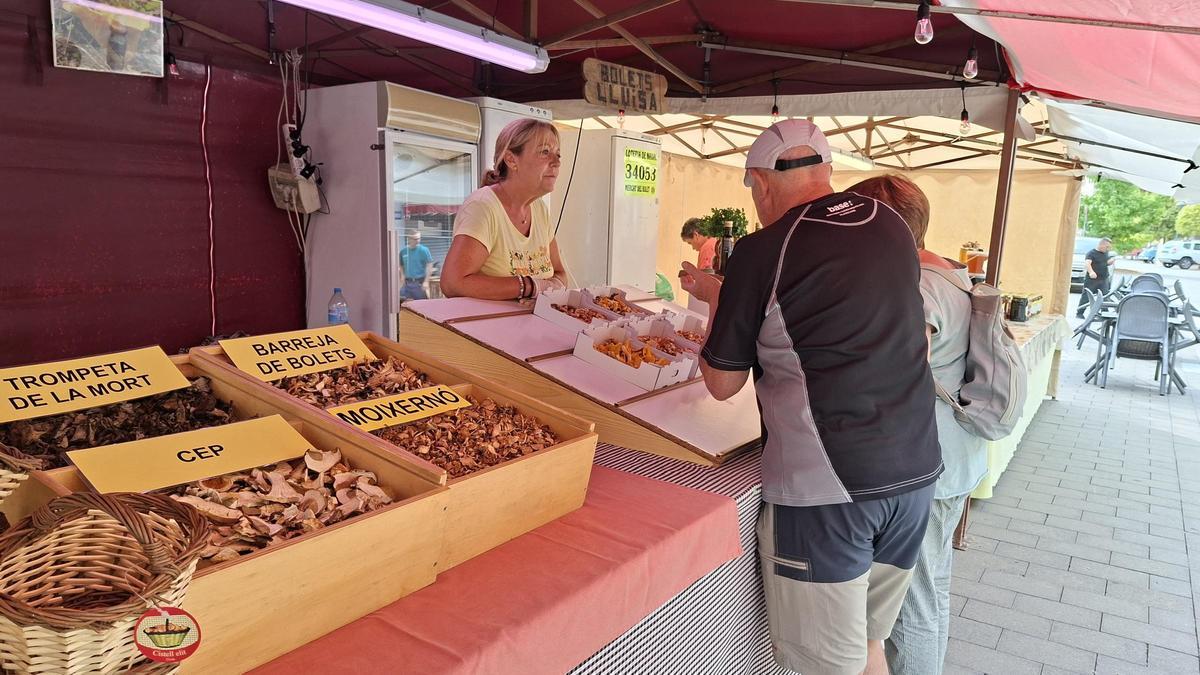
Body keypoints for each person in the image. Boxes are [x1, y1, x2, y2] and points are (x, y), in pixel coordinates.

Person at [680, 120, 942, 675]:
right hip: (915, 474)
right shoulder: (891, 225)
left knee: (825, 666)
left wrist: (716, 305)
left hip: (829, 488)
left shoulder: (761, 250)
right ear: (827, 170)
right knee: (869, 648)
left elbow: (722, 382)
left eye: (751, 192)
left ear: (760, 181)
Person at [849, 175, 986, 675]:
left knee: (912, 606)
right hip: (953, 456)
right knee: (932, 590)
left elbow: (895, 370)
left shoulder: (919, 286)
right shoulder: (949, 273)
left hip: (926, 465)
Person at [441, 119, 568, 300]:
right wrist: (530, 286)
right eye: (545, 152)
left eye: (558, 155)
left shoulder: (539, 209)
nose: (556, 162)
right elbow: (453, 283)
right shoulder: (483, 207)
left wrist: (553, 286)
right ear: (511, 159)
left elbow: (560, 275)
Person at [1077, 237, 1115, 317]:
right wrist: (1091, 272)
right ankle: (1080, 313)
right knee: (1086, 296)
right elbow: (1087, 263)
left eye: (1109, 247)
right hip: (1092, 280)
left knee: (1104, 296)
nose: (1108, 249)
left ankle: (1104, 312)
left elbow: (1104, 263)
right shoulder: (1091, 253)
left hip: (1103, 279)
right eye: (1107, 247)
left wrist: (1109, 262)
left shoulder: (1105, 253)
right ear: (1101, 245)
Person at [399, 228, 433, 301]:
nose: (418, 241)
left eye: (419, 238)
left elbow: (429, 265)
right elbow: (401, 265)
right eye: (415, 239)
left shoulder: (424, 250)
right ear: (409, 239)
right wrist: (402, 276)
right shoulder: (403, 251)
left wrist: (426, 281)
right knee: (401, 303)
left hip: (419, 283)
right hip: (407, 283)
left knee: (422, 305)